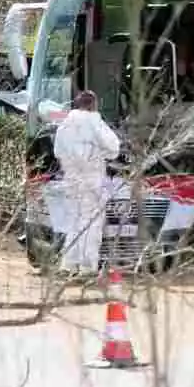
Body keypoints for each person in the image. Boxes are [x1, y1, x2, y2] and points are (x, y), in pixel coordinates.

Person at [53, 90, 120, 275]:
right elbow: (114, 147)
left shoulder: (64, 124)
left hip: (71, 178)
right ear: (94, 104)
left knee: (73, 221)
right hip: (92, 178)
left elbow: (58, 152)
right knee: (91, 223)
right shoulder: (95, 122)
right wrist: (101, 156)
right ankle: (87, 268)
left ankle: (68, 265)